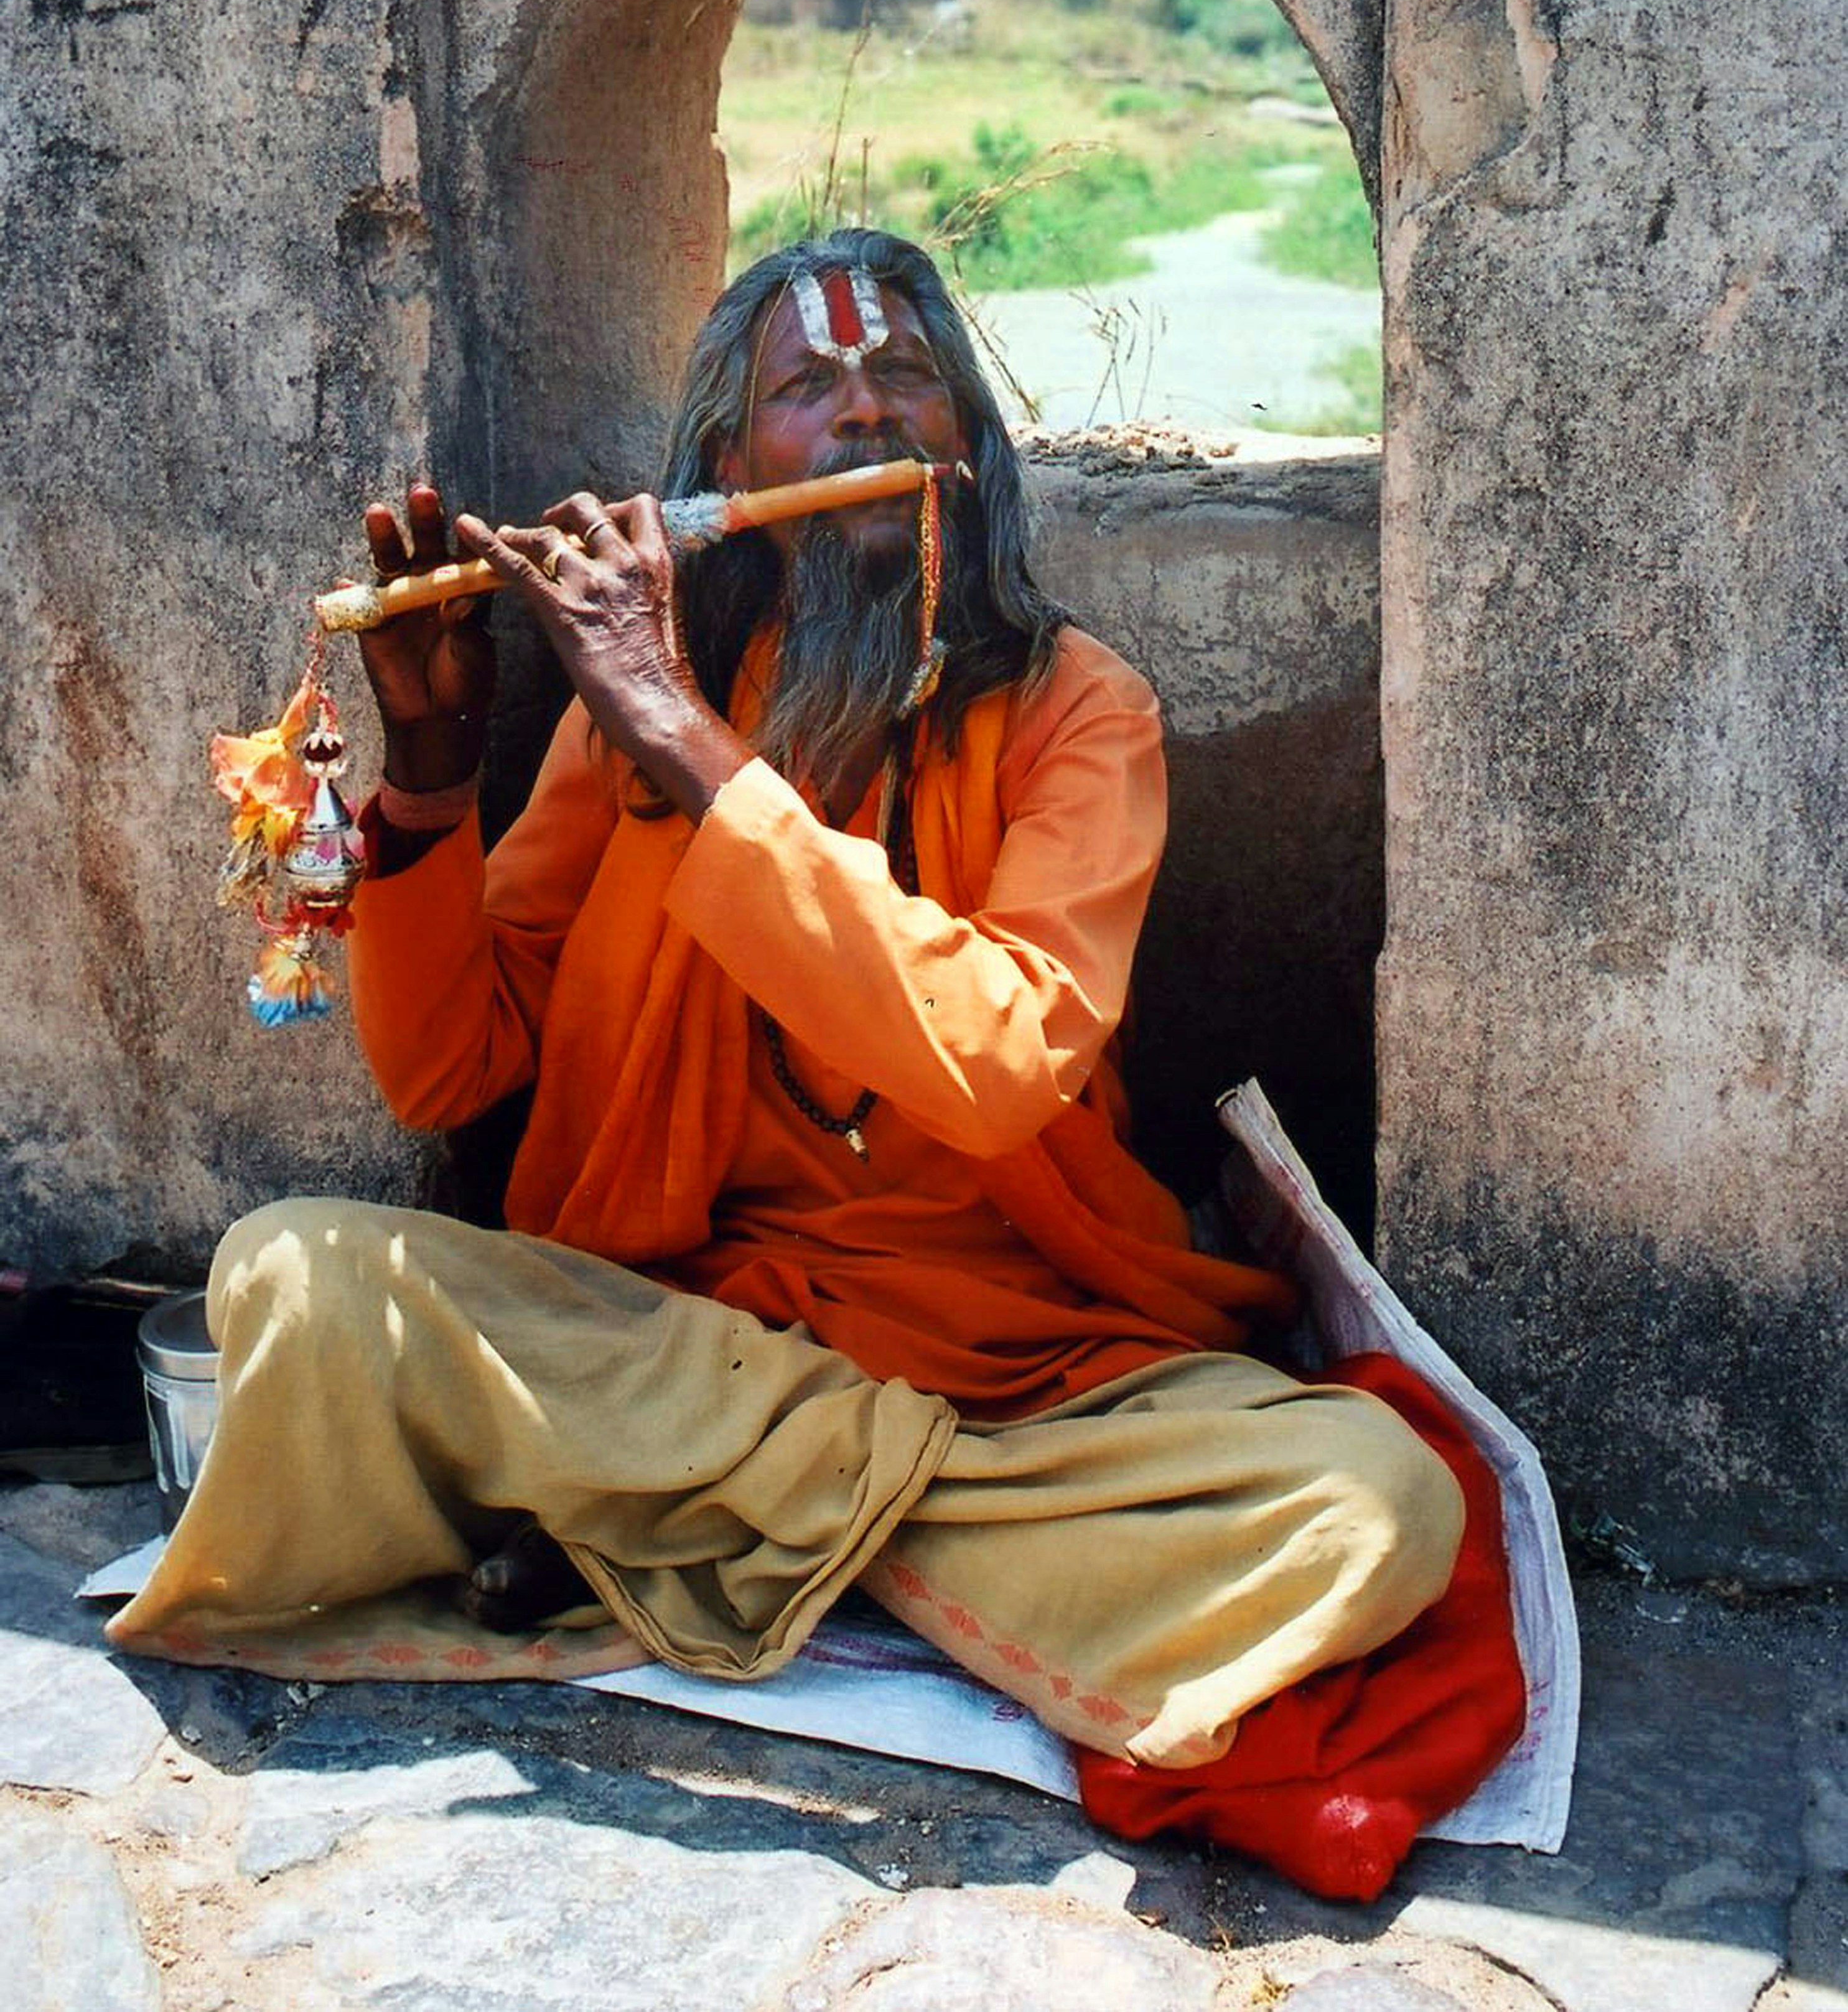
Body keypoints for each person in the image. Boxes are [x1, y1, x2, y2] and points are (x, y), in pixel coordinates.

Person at [110, 228, 1522, 1899]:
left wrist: (676, 731)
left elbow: (1000, 1065)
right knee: (292, 1273)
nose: (864, 414)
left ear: (965, 445)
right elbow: (449, 1075)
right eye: (808, 387)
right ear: (726, 470)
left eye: (904, 374)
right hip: (691, 1341)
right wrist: (427, 775)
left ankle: (695, 1528)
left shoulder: (1077, 713)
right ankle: (853, 1543)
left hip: (1022, 1373)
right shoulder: (635, 721)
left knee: (1377, 1504)